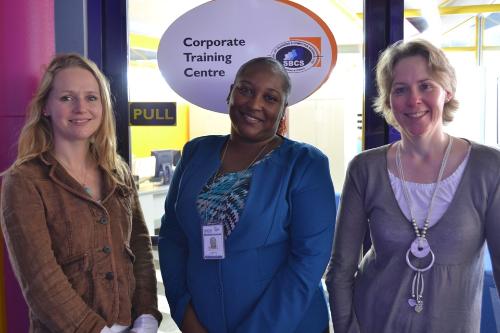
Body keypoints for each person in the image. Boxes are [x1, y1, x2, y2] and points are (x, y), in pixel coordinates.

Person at [325, 39, 500, 333]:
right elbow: (340, 271)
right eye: (400, 89)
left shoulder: (489, 168)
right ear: (388, 100)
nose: (413, 99)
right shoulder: (365, 169)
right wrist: (346, 328)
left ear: (447, 91)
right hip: (372, 323)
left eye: (425, 86)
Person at [158, 57, 336, 333]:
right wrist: (183, 312)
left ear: (282, 109)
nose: (255, 104)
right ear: (230, 93)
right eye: (246, 90)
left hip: (286, 325)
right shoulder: (196, 153)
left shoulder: (304, 164)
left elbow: (308, 262)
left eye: (270, 97)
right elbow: (172, 237)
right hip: (203, 323)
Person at [0, 54, 162, 333]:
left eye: (91, 97)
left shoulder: (117, 171)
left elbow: (140, 249)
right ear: (46, 107)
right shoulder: (24, 180)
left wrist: (146, 315)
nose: (81, 108)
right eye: (66, 98)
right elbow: (40, 280)